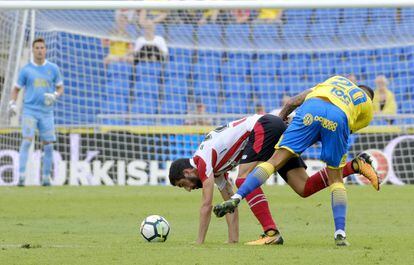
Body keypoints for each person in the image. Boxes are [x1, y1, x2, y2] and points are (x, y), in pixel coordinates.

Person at [213, 75, 378, 247]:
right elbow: (343, 131)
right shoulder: (367, 107)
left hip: (310, 110)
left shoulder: (336, 80)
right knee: (335, 180)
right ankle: (340, 234)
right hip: (338, 118)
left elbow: (293, 101)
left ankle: (238, 197)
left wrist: (283, 119)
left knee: (274, 162)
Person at [169, 112, 378, 245]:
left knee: (244, 179)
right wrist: (232, 241)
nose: (188, 189)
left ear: (188, 172)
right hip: (273, 126)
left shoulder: (202, 160)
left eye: (183, 185)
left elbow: (206, 205)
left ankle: (271, 233)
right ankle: (354, 165)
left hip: (264, 126)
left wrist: (199, 242)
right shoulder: (216, 169)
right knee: (303, 187)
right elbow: (230, 204)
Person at [7, 37, 64, 186]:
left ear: (46, 50)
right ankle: (21, 176)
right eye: (37, 48)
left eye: (42, 48)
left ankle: (45, 178)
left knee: (49, 145)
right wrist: (12, 103)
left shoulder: (53, 68)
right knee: (26, 142)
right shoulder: (26, 70)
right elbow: (16, 89)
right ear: (32, 50)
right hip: (30, 111)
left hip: (46, 112)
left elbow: (60, 87)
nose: (39, 50)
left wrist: (55, 95)